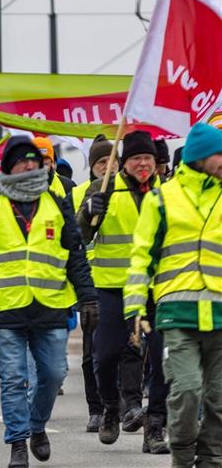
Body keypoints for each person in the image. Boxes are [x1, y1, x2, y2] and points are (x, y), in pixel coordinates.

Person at [0, 136, 98, 468]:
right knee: (13, 377)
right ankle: (18, 442)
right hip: (6, 306)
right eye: (21, 160)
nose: (29, 165)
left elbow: (75, 256)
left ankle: (37, 426)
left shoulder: (55, 200)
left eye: (33, 160)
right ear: (8, 166)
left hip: (49, 305)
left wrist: (88, 299)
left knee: (53, 373)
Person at [123, 122, 222, 468]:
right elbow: (140, 255)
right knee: (188, 391)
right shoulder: (161, 199)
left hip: (221, 314)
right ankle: (182, 457)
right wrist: (135, 307)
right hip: (177, 313)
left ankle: (212, 460)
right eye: (218, 153)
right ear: (199, 156)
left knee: (219, 399)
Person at [78, 130, 168, 452]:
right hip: (112, 286)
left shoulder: (168, 193)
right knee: (105, 356)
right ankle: (111, 409)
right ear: (124, 163)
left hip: (156, 288)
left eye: (147, 158)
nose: (142, 164)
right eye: (135, 158)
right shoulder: (104, 190)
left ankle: (155, 426)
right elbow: (81, 236)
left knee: (160, 359)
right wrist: (89, 214)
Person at [71, 133, 113, 432]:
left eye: (111, 161)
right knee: (91, 351)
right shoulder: (78, 194)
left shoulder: (128, 192)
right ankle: (95, 408)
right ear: (92, 165)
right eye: (100, 162)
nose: (105, 167)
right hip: (90, 286)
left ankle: (119, 403)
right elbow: (73, 238)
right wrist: (87, 213)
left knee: (123, 351)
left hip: (122, 283)